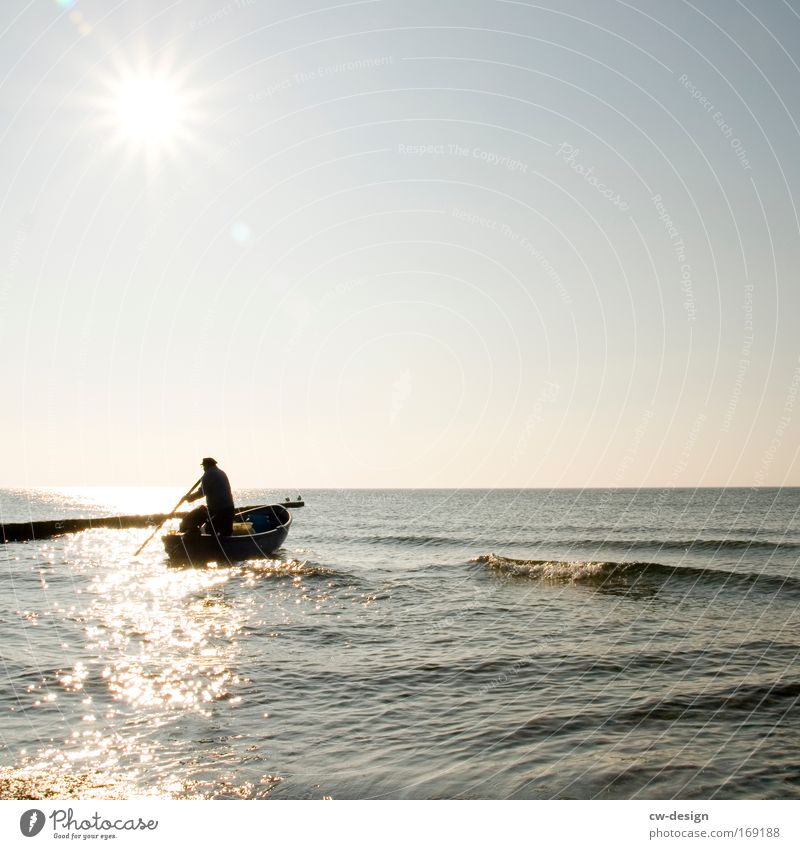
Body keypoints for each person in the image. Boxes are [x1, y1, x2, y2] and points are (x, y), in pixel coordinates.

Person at [180, 458, 235, 537]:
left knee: (189, 520)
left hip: (218, 510)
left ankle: (194, 537)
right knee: (224, 532)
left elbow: (201, 493)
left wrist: (188, 498)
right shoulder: (221, 472)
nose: (203, 469)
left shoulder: (209, 474)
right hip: (229, 509)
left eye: (203, 467)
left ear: (206, 466)